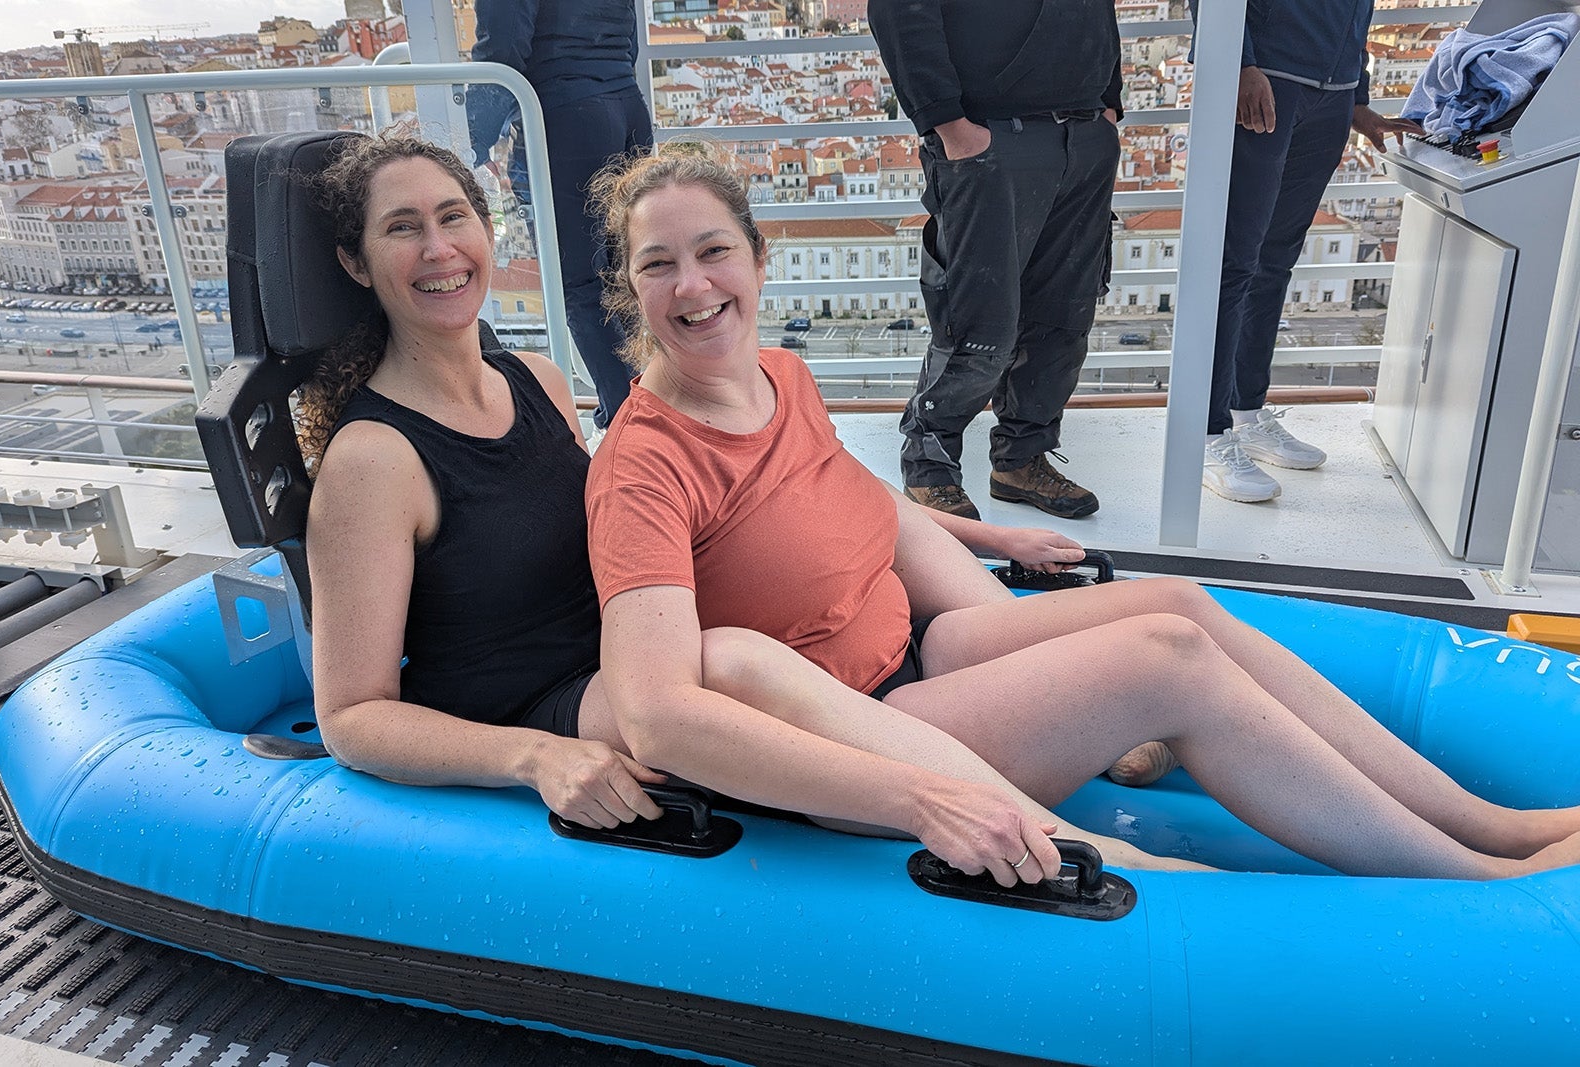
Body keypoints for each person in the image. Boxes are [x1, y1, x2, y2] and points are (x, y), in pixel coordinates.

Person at [583, 147, 1580, 880]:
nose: (693, 284)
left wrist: (990, 536)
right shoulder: (642, 466)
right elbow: (654, 706)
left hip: (924, 651)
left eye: (713, 251)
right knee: (1164, 658)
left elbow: (847, 504)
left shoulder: (777, 374)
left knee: (1181, 602)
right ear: (629, 292)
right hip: (864, 728)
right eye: (658, 263)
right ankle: (1472, 874)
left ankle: (1488, 821)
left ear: (758, 259)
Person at [300, 131, 1130, 885]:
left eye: (453, 216)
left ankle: (1018, 749)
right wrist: (533, 756)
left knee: (750, 629)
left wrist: (975, 532)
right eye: (402, 228)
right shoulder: (374, 459)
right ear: (356, 262)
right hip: (537, 696)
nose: (439, 247)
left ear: (485, 232)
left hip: (627, 645)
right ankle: (1050, 843)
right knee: (733, 661)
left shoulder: (534, 381)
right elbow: (350, 715)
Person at [865, 0, 1123, 521]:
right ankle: (930, 465)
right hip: (990, 137)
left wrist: (1108, 104)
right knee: (977, 318)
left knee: (1065, 314)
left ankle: (1021, 460)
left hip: (1084, 131)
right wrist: (949, 124)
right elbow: (899, 9)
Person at [1195, 0, 1421, 503]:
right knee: (1233, 265)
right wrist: (1240, 63)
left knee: (1274, 263)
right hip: (1268, 80)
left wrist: (1356, 97)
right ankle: (1206, 434)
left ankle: (1246, 413)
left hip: (1332, 96)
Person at [466, 0, 651, 436]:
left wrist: (470, 138)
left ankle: (635, 426)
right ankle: (642, 407)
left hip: (566, 115)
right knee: (632, 271)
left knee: (581, 284)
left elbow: (502, 42)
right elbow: (630, 38)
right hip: (626, 107)